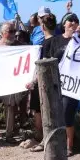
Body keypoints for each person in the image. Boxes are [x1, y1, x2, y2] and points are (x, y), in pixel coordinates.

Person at [41, 13, 80, 156]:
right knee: (54, 113)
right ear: (64, 24)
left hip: (73, 85)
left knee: (67, 114)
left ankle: (69, 146)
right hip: (55, 83)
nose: (73, 22)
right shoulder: (54, 41)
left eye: (75, 20)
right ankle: (53, 141)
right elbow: (46, 61)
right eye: (70, 20)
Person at [23, 13, 58, 152]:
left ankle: (42, 138)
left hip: (43, 84)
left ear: (42, 26)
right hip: (53, 84)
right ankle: (43, 137)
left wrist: (33, 81)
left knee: (39, 112)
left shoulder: (47, 43)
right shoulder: (57, 41)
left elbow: (44, 65)